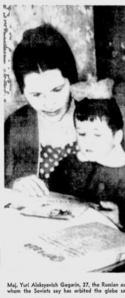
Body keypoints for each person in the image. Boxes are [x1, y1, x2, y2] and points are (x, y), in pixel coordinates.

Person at [48, 98, 125, 239]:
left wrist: (121, 222)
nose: (88, 141)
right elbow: (50, 191)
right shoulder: (70, 162)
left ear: (117, 137)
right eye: (82, 134)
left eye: (97, 135)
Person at [5, 24, 78, 197]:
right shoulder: (16, 124)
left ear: (70, 78)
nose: (49, 103)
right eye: (36, 94)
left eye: (57, 89)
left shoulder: (96, 114)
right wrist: (15, 183)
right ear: (23, 91)